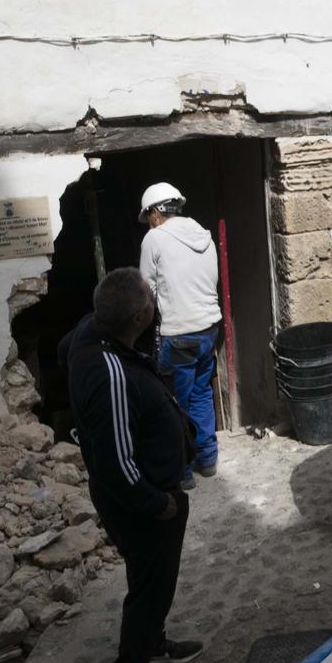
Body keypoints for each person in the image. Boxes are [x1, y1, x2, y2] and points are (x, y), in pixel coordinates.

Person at [62, 268, 202, 663]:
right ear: (142, 315)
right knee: (148, 589)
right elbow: (117, 460)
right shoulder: (110, 373)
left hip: (148, 495)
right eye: (151, 301)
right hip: (142, 504)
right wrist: (155, 503)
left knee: (152, 583)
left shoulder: (95, 335)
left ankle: (153, 642)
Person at [137, 182, 223, 480]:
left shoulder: (154, 239)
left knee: (174, 403)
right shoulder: (204, 235)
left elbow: (145, 290)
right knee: (200, 394)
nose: (148, 222)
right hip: (209, 329)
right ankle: (207, 458)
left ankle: (181, 470)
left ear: (157, 212)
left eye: (148, 215)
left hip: (180, 334)